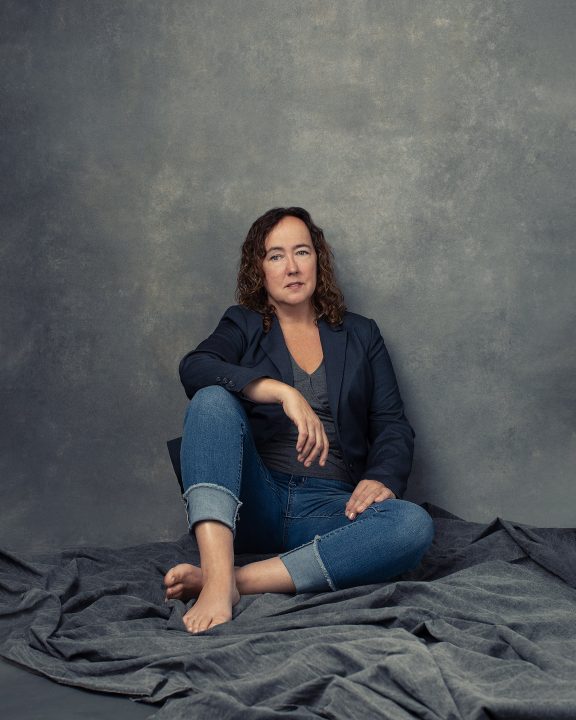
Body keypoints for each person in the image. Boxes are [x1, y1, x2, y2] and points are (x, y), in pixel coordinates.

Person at [164, 207, 434, 634]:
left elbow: (392, 423)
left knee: (411, 525)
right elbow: (194, 367)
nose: (291, 267)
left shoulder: (361, 334)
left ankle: (229, 581)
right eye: (275, 256)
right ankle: (219, 577)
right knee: (212, 399)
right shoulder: (244, 323)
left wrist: (382, 476)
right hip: (254, 503)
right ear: (260, 269)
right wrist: (279, 390)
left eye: (302, 252)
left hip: (330, 508)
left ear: (318, 261)